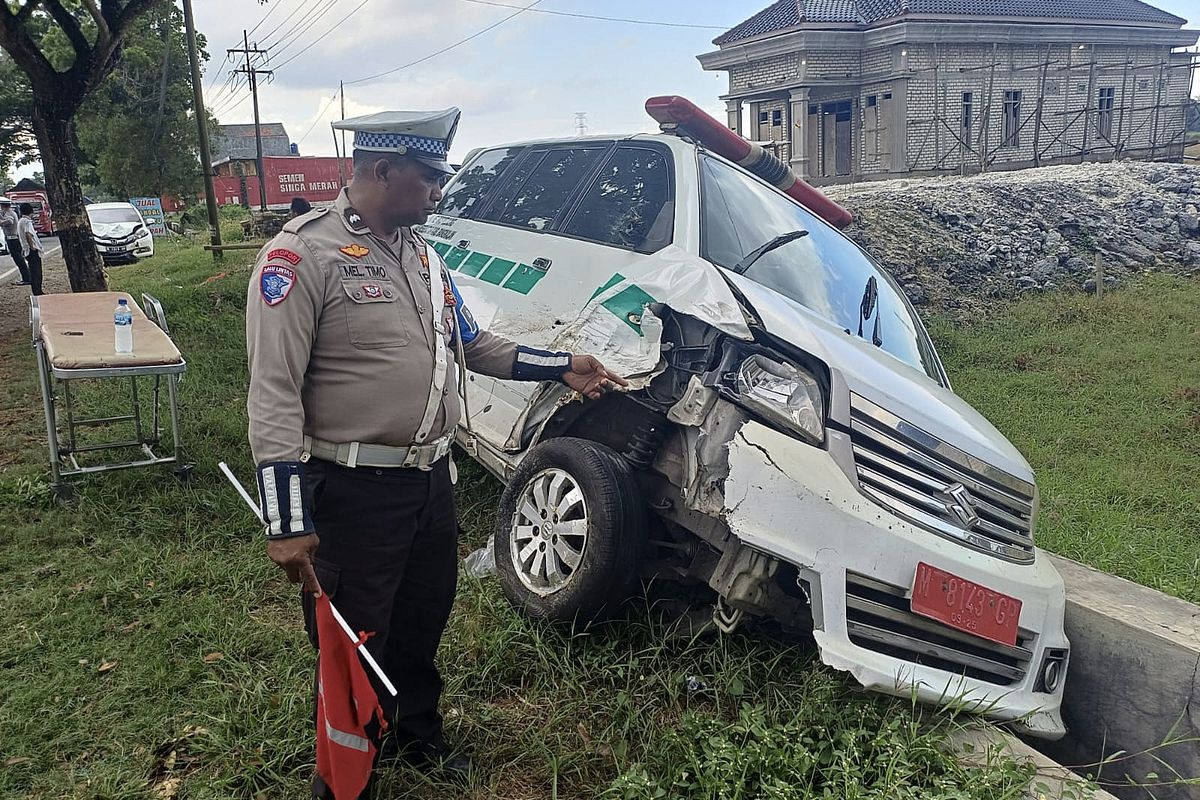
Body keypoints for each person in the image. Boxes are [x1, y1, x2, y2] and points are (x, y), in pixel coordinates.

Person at [245, 108, 625, 799]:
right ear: (382, 171)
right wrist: (285, 519)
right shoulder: (300, 258)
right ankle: (345, 773)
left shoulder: (426, 258)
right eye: (429, 177)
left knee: (423, 618)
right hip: (352, 490)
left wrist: (563, 363)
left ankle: (417, 734)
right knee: (356, 638)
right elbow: (273, 394)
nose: (440, 192)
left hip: (429, 483)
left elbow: (476, 344)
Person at [0, 198, 30, 286]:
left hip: (13, 239)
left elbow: (9, 221)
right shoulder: (6, 213)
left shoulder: (10, 213)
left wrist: (1, 222)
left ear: (3, 206)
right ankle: (26, 277)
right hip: (10, 239)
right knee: (18, 260)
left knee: (19, 260)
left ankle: (27, 278)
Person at [18, 203, 43, 296]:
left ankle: (36, 290)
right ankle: (37, 291)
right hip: (31, 250)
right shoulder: (27, 221)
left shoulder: (21, 221)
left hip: (26, 249)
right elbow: (28, 234)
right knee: (36, 271)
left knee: (33, 270)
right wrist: (32, 247)